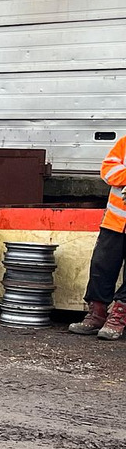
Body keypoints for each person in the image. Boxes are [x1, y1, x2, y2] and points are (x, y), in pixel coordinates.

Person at [69, 134, 126, 339]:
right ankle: (97, 314)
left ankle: (119, 315)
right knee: (101, 266)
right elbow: (108, 170)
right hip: (115, 222)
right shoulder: (124, 143)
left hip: (117, 221)